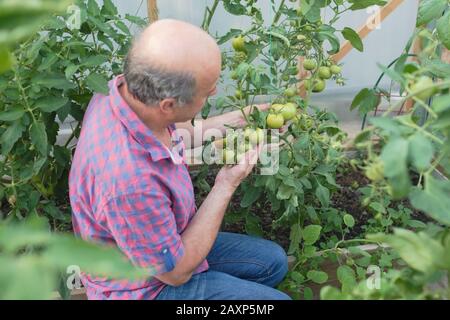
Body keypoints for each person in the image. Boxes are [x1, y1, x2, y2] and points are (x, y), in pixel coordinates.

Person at [69, 19, 290, 300]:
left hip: (157, 242)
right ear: (168, 105)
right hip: (147, 287)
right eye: (208, 93)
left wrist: (240, 118)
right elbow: (176, 272)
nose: (215, 94)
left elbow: (173, 131)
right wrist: (226, 183)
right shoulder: (130, 181)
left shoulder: (122, 93)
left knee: (271, 263)